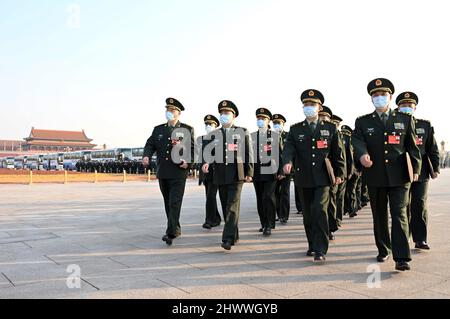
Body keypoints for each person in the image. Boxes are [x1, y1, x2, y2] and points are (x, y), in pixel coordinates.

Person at [352, 78, 421, 271]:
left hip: (399, 176)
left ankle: (401, 257)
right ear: (371, 99)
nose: (379, 98)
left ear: (390, 97)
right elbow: (357, 141)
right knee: (379, 215)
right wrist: (362, 154)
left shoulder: (405, 119)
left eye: (383, 94)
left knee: (399, 214)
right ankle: (383, 248)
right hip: (375, 175)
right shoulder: (363, 121)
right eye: (375, 95)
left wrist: (415, 169)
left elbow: (412, 148)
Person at [282, 89, 345, 262]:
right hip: (303, 178)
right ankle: (312, 244)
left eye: (312, 104)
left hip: (323, 177)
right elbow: (288, 149)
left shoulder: (330, 128)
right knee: (308, 214)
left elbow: (338, 152)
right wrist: (287, 162)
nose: (309, 107)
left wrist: (340, 173)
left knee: (319, 209)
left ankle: (321, 249)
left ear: (319, 107)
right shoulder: (295, 129)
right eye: (306, 105)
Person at [202, 100, 254, 251]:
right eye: (222, 113)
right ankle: (234, 234)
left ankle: (227, 238)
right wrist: (206, 162)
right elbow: (208, 152)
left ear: (234, 116)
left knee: (232, 206)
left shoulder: (242, 131)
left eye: (227, 113)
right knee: (226, 206)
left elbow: (248, 152)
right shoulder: (214, 134)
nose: (224, 116)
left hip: (237, 174)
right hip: (219, 174)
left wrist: (249, 171)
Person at [143, 97, 195, 246]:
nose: (169, 112)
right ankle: (176, 228)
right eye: (167, 110)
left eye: (172, 110)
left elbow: (193, 149)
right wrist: (146, 155)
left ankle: (170, 232)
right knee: (167, 202)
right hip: (163, 171)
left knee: (174, 202)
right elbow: (150, 144)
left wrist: (189, 163)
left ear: (178, 113)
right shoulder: (158, 129)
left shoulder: (187, 129)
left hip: (179, 172)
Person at [396, 91, 440, 250]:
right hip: (400, 172)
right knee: (403, 206)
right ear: (398, 107)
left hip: (421, 172)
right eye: (404, 105)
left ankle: (420, 239)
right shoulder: (394, 124)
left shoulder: (424, 125)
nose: (407, 108)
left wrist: (435, 167)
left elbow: (432, 148)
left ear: (415, 107)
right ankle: (404, 237)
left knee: (419, 205)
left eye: (410, 105)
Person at [251, 108, 280, 236]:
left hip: (271, 171)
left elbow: (281, 153)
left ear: (269, 121)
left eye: (263, 119)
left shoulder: (274, 136)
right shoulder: (251, 136)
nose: (260, 121)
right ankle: (263, 223)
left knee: (268, 197)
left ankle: (269, 224)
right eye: (259, 119)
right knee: (259, 198)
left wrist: (281, 171)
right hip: (257, 172)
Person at [197, 114, 222, 229]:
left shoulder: (219, 138)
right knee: (209, 196)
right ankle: (216, 218)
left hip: (215, 172)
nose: (208, 126)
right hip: (205, 173)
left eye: (210, 124)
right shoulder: (202, 139)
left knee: (211, 196)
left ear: (216, 126)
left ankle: (209, 220)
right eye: (206, 124)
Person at [273, 114, 292, 224]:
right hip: (273, 169)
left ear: (283, 124)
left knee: (284, 192)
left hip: (286, 169)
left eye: (278, 123)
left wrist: (284, 170)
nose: (276, 125)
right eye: (274, 123)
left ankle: (284, 215)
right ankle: (278, 213)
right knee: (275, 193)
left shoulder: (288, 136)